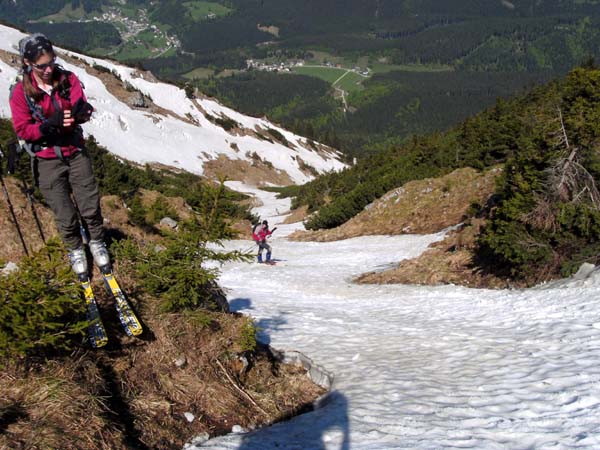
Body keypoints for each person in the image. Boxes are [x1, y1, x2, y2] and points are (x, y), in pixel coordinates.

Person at [9, 33, 109, 279]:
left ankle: (96, 241)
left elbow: (79, 105)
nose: (48, 69)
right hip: (47, 158)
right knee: (63, 211)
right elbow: (22, 129)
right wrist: (45, 127)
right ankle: (75, 248)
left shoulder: (68, 80)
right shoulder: (21, 93)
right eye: (41, 66)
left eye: (51, 62)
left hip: (74, 151)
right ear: (27, 63)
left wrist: (82, 113)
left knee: (89, 203)